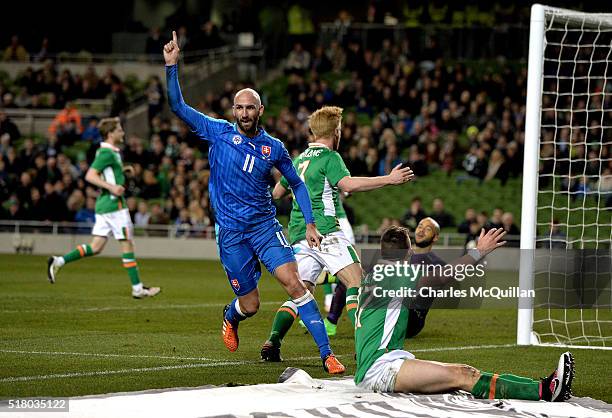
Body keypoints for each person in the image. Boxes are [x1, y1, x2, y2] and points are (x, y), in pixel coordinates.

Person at [163, 32, 344, 374]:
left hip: (264, 227)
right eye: (240, 107)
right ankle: (230, 316)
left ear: (261, 110)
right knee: (251, 304)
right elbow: (178, 107)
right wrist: (172, 67)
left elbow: (297, 185)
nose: (245, 113)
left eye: (250, 107)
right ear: (234, 111)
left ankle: (326, 354)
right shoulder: (217, 131)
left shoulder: (273, 147)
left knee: (294, 283)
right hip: (231, 234)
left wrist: (308, 222)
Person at [260, 106, 413, 361]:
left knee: (302, 292)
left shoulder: (298, 160)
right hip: (326, 232)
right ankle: (365, 343)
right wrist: (389, 178)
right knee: (357, 282)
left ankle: (273, 341)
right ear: (336, 131)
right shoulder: (330, 158)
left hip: (299, 235)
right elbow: (349, 185)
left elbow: (277, 193)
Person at [355, 225, 574, 402]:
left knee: (462, 372)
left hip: (381, 363)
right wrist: (478, 252)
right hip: (381, 368)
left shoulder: (374, 275)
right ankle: (546, 390)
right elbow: (441, 278)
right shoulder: (396, 275)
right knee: (463, 375)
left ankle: (542, 387)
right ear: (408, 253)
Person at [47, 117, 161, 299]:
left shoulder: (112, 152)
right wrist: (112, 188)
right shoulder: (106, 153)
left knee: (96, 247)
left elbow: (107, 174)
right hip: (114, 205)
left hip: (104, 205)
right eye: (119, 130)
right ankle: (138, 288)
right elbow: (90, 175)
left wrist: (122, 172)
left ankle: (58, 261)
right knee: (127, 244)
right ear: (110, 134)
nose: (123, 133)